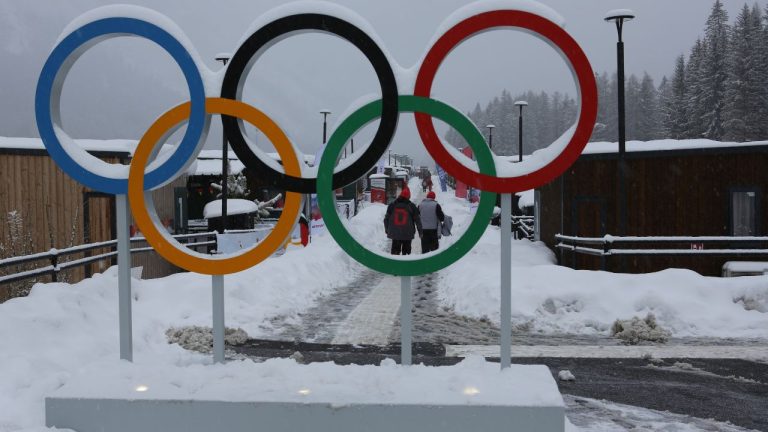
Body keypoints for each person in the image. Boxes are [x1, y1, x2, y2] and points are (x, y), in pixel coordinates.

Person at [384, 186, 422, 255]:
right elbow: (418, 220)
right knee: (406, 255)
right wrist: (420, 232)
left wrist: (387, 229)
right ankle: (406, 265)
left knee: (395, 255)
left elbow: (386, 219)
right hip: (407, 234)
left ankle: (395, 265)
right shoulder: (412, 206)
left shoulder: (392, 205)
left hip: (395, 234)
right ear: (408, 196)